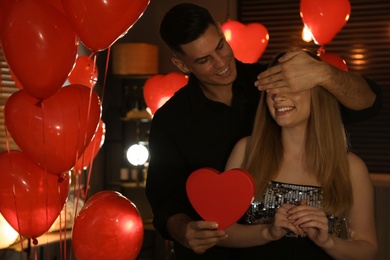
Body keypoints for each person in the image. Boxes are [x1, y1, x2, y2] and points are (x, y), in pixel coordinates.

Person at [145, 3, 381, 259]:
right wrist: (183, 229)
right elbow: (164, 198)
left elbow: (368, 104)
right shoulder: (171, 120)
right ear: (182, 65)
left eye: (221, 46)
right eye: (204, 60)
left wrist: (323, 73)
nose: (222, 62)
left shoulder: (272, 81)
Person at [220, 50, 378, 259]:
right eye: (272, 88)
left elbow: (367, 250)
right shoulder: (246, 151)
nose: (277, 96)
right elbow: (221, 231)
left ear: (318, 93)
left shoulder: (351, 167)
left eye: (288, 86)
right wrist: (267, 232)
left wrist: (328, 241)